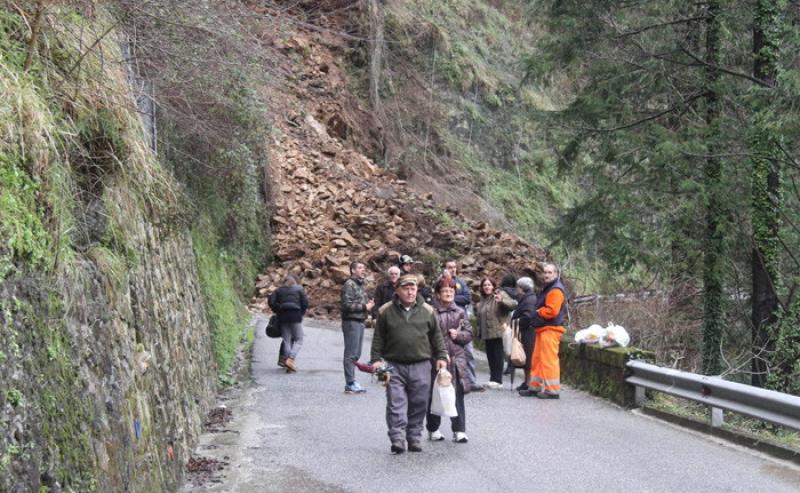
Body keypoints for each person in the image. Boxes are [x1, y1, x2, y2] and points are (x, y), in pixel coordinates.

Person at [371, 274, 448, 454]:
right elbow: (378, 339)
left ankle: (413, 437)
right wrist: (375, 360)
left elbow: (437, 337)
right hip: (393, 365)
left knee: (419, 402)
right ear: (397, 290)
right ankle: (397, 437)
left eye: (413, 288)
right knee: (395, 402)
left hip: (421, 364)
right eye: (405, 288)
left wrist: (441, 357)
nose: (410, 291)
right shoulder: (385, 311)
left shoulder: (428, 311)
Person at [426, 276, 473, 443]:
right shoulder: (430, 312)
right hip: (436, 359)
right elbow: (426, 335)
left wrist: (458, 335)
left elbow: (469, 334)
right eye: (445, 291)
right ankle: (433, 429)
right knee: (435, 393)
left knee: (457, 395)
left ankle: (459, 430)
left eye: (451, 291)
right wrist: (437, 353)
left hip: (457, 359)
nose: (448, 294)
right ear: (438, 294)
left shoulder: (460, 311)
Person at [520, 263, 569, 399]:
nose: (546, 275)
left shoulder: (555, 290)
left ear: (555, 274)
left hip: (550, 329)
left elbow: (552, 311)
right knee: (537, 359)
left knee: (548, 360)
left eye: (549, 272)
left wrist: (538, 311)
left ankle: (552, 390)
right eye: (545, 272)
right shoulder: (550, 288)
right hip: (544, 329)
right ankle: (534, 387)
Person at [443, 260, 483, 392]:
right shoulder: (440, 282)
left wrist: (452, 298)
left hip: (461, 319)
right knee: (446, 352)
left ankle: (471, 381)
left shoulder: (461, 282)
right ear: (445, 268)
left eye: (454, 267)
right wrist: (454, 297)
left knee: (468, 351)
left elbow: (467, 298)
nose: (453, 269)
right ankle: (446, 381)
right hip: (445, 320)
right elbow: (439, 299)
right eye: (450, 267)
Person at [475, 277, 517, 388]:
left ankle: (498, 380)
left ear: (493, 286)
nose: (487, 287)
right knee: (490, 356)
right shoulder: (484, 299)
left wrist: (502, 300)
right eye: (484, 285)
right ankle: (493, 379)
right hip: (487, 333)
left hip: (498, 330)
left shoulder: (499, 294)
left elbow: (513, 304)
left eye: (489, 285)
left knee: (498, 356)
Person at [341, 261, 375, 394]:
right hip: (351, 322)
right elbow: (346, 305)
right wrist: (364, 307)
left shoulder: (360, 285)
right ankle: (349, 383)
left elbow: (361, 302)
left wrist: (369, 308)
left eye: (364, 268)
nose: (363, 270)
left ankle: (352, 381)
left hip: (360, 321)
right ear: (352, 270)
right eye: (360, 268)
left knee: (357, 353)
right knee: (351, 354)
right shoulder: (349, 285)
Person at [268, 275, 309, 373]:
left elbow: (271, 301)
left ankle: (288, 364)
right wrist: (301, 313)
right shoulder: (299, 289)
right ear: (294, 282)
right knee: (299, 339)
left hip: (283, 317)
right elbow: (305, 303)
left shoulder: (278, 290)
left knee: (286, 340)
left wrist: (278, 309)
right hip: (295, 316)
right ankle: (291, 359)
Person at [511, 276, 537, 391]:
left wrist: (515, 322)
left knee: (528, 357)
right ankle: (527, 382)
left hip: (529, 333)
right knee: (526, 358)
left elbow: (528, 317)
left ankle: (529, 382)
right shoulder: (527, 298)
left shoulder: (529, 299)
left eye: (518, 287)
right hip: (526, 332)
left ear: (521, 288)